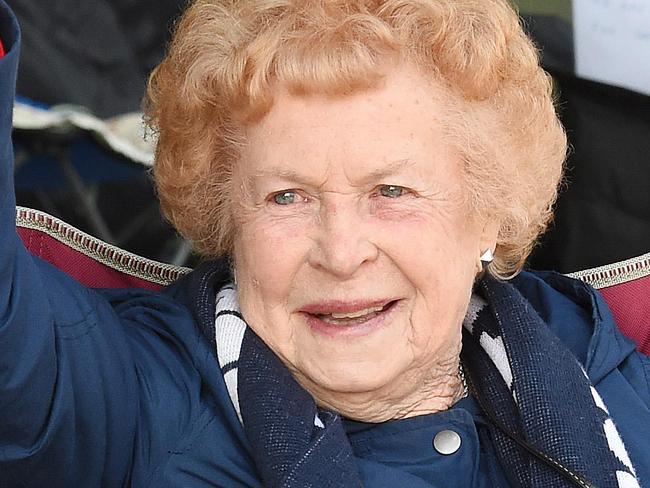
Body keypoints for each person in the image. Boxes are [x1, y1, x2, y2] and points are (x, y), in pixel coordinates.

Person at [1, 1, 649, 487]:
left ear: (488, 213)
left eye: (391, 191)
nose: (340, 253)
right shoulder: (136, 404)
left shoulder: (599, 368)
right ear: (228, 215)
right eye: (287, 197)